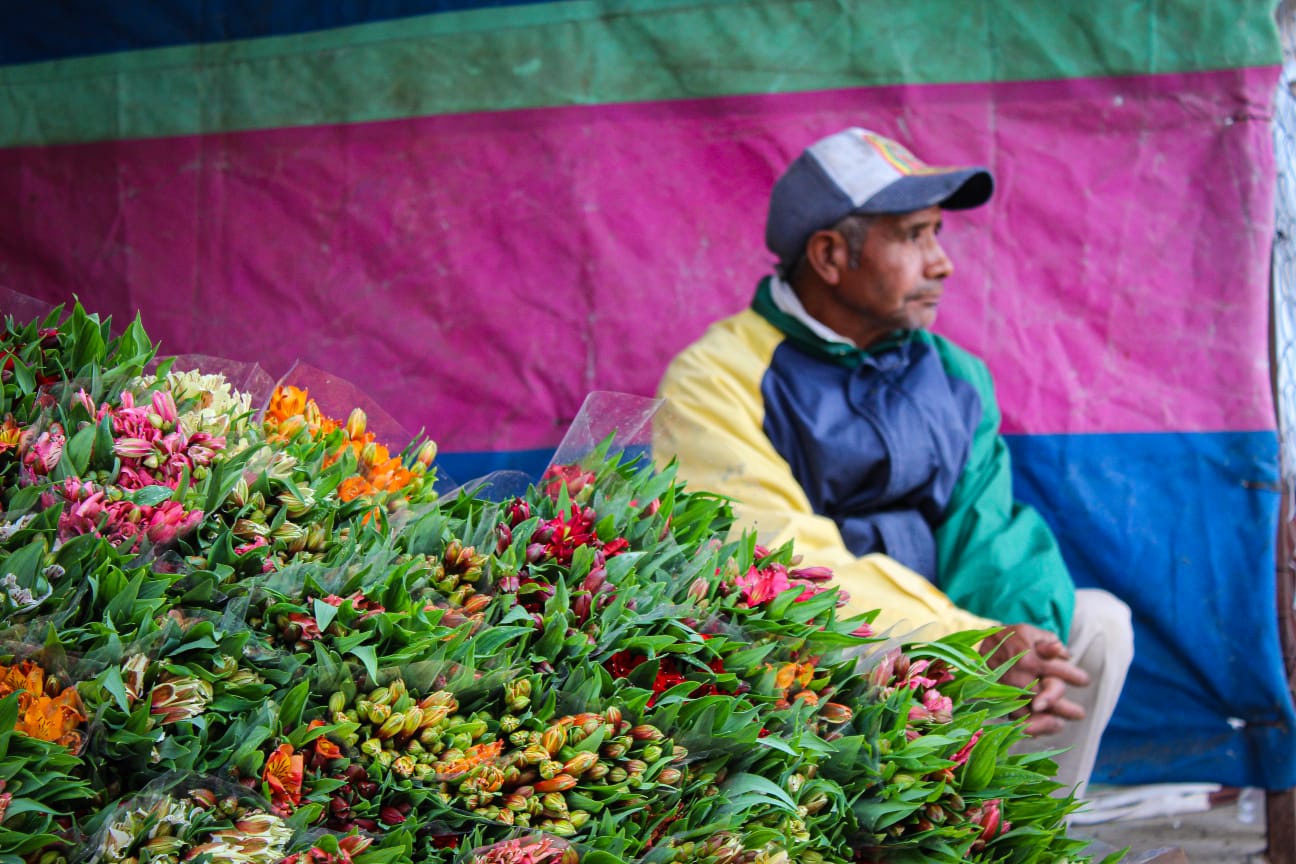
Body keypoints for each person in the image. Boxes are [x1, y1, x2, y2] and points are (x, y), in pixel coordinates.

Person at [652, 127, 1133, 799]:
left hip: (957, 638)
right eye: (913, 236)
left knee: (1097, 626)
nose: (942, 263)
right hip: (816, 653)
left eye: (937, 235)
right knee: (844, 641)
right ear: (828, 255)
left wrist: (1026, 648)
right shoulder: (716, 376)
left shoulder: (955, 373)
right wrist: (967, 645)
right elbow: (779, 560)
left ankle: (1017, 839)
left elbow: (986, 527)